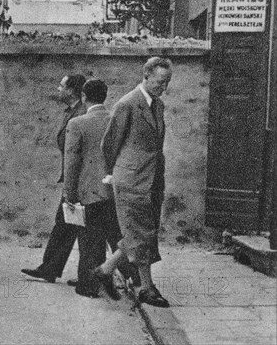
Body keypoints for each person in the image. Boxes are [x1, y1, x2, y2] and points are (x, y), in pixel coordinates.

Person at [93, 57, 173, 308]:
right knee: (142, 232)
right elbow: (109, 143)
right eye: (161, 82)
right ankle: (146, 288)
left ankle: (105, 270)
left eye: (167, 82)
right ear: (146, 75)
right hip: (131, 180)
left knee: (140, 232)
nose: (164, 87)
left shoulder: (157, 105)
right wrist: (113, 173)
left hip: (152, 180)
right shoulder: (127, 104)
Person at [63, 79, 138, 299]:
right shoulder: (116, 120)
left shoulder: (77, 123)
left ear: (84, 97)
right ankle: (131, 278)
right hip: (115, 189)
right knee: (117, 236)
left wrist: (69, 193)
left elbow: (72, 163)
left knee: (89, 240)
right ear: (105, 96)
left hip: (89, 191)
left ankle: (88, 285)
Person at [21, 74, 86, 283]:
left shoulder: (81, 114)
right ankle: (50, 268)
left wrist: (73, 183)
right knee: (67, 224)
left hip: (81, 180)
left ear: (71, 90)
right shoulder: (72, 112)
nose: (58, 90)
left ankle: (126, 273)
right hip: (73, 178)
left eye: (61, 86)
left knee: (86, 228)